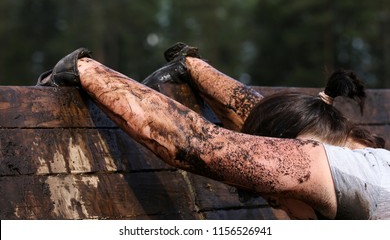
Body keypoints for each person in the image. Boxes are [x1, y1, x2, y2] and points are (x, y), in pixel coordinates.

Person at [37, 44, 390, 220]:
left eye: (275, 196)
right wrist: (191, 65)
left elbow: (197, 145)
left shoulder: (339, 173)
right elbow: (282, 130)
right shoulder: (360, 153)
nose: (277, 203)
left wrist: (83, 69)